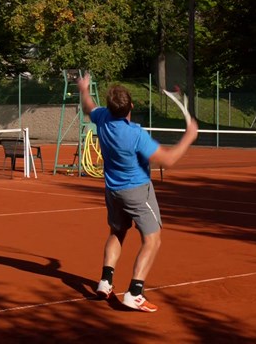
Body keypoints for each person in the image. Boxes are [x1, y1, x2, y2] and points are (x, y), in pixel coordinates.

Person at [77, 73, 198, 312]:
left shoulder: (102, 118)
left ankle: (105, 281)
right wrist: (189, 137)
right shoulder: (135, 135)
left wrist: (84, 88)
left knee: (117, 232)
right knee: (152, 240)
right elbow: (169, 160)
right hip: (137, 191)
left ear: (110, 108)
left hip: (112, 190)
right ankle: (134, 292)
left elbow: (88, 106)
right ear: (131, 106)